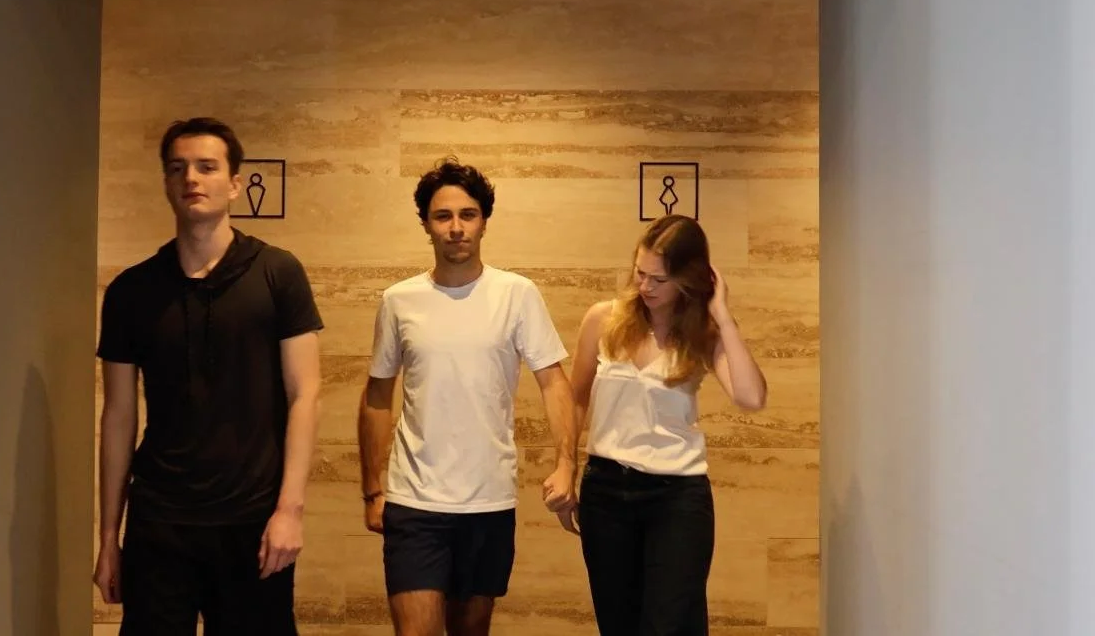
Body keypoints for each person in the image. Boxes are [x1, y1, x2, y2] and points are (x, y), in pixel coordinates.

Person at [92, 117, 324, 636]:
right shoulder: (132, 291)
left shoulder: (278, 273)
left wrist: (290, 510)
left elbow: (305, 394)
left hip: (253, 521)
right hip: (159, 520)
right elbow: (119, 415)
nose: (191, 178)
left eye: (206, 167)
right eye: (178, 168)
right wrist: (109, 537)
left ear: (235, 183)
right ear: (166, 183)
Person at [356, 158, 579, 636]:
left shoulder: (517, 294)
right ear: (426, 224)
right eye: (443, 216)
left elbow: (553, 381)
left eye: (467, 215)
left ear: (483, 221)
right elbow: (377, 394)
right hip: (414, 503)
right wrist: (373, 489)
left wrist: (566, 464)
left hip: (488, 502)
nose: (456, 227)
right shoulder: (399, 301)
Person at [570, 214, 767, 636]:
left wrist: (723, 316)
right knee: (618, 624)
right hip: (606, 491)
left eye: (659, 279)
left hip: (676, 497)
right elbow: (575, 397)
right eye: (640, 273)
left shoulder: (703, 333)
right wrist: (563, 466)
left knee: (669, 624)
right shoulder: (603, 319)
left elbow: (751, 397)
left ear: (688, 280)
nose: (645, 287)